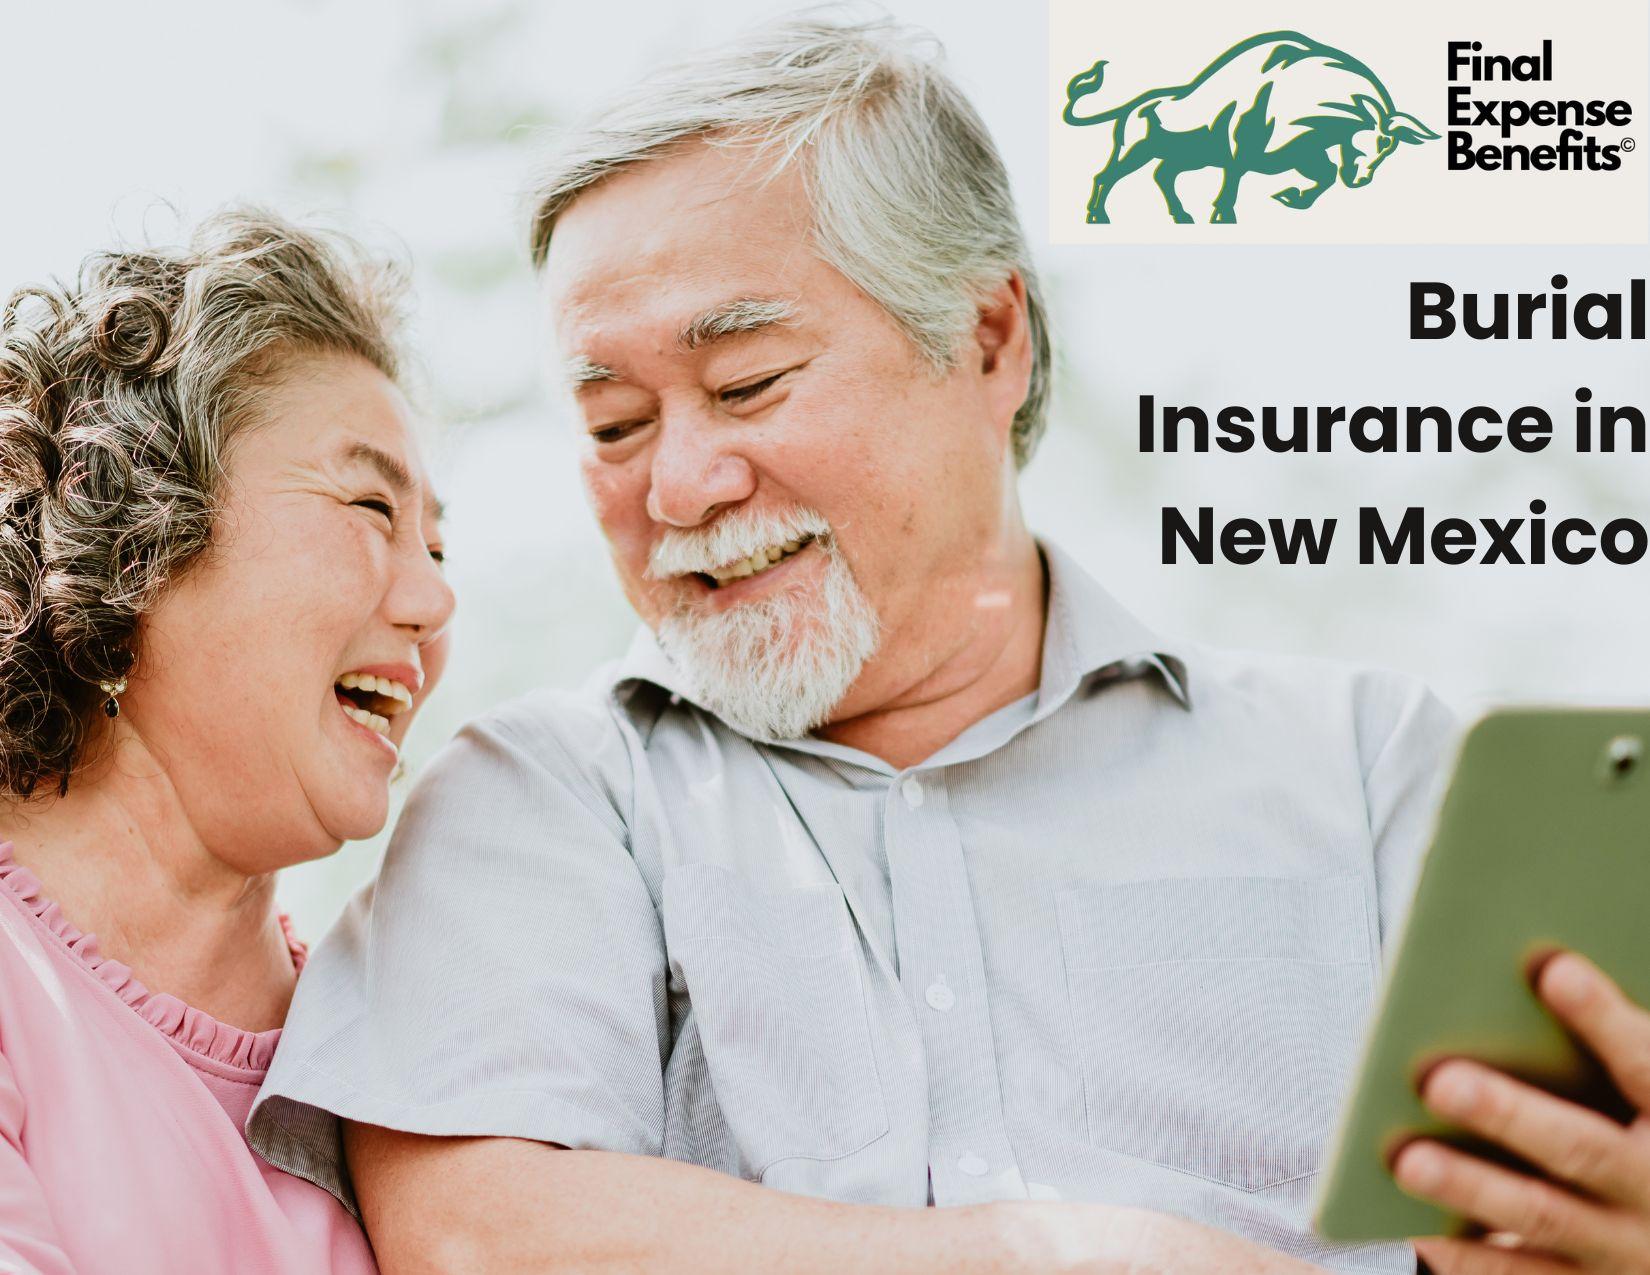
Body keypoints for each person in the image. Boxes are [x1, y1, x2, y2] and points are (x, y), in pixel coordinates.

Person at [250, 16, 1650, 1275]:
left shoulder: (1372, 764)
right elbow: (480, 1234)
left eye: (747, 383)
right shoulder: (541, 796)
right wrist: (1078, 1252)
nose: (675, 486)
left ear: (989, 340)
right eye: (614, 423)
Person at [0, 209, 454, 1273]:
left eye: (438, 542)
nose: (436, 597)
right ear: (136, 537)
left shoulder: (409, 1042)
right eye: (369, 507)